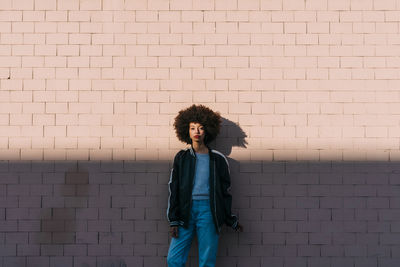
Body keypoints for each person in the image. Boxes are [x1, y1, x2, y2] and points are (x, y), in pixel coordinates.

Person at [166, 104, 243, 267]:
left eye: (201, 128)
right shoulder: (182, 157)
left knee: (207, 261)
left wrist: (230, 219)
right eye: (192, 128)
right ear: (186, 131)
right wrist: (174, 220)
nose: (197, 131)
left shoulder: (218, 159)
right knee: (173, 259)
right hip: (186, 210)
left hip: (209, 211)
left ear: (207, 130)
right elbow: (174, 188)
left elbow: (225, 192)